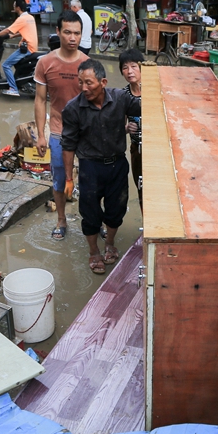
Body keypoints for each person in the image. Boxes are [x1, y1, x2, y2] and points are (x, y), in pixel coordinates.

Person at [61, 59, 141, 275]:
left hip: (117, 164)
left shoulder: (120, 98)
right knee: (90, 213)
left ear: (103, 81)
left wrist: (143, 79)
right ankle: (94, 251)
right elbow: (68, 146)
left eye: (89, 83)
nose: (84, 88)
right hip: (90, 168)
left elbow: (145, 105)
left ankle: (110, 243)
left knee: (117, 209)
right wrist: (68, 178)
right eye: (81, 83)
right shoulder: (73, 108)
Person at [34, 9, 90, 240]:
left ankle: (93, 220)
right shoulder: (45, 63)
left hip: (86, 133)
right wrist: (40, 135)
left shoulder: (88, 64)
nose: (72, 38)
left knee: (91, 179)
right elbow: (39, 100)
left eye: (76, 33)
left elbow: (97, 101)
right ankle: (61, 219)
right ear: (58, 32)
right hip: (58, 132)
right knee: (59, 179)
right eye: (67, 32)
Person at [0, 0, 38, 97]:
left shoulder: (21, 19)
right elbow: (24, 31)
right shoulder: (30, 17)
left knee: (6, 65)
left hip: (27, 48)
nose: (13, 7)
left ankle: (13, 88)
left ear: (18, 8)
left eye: (14, 6)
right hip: (33, 47)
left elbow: (8, 30)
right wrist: (12, 36)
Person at [120, 47, 144, 209]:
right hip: (137, 149)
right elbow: (118, 127)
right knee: (141, 188)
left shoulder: (154, 89)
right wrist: (127, 128)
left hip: (157, 149)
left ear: (142, 67)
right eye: (125, 67)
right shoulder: (122, 95)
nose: (130, 71)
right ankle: (145, 229)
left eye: (134, 66)